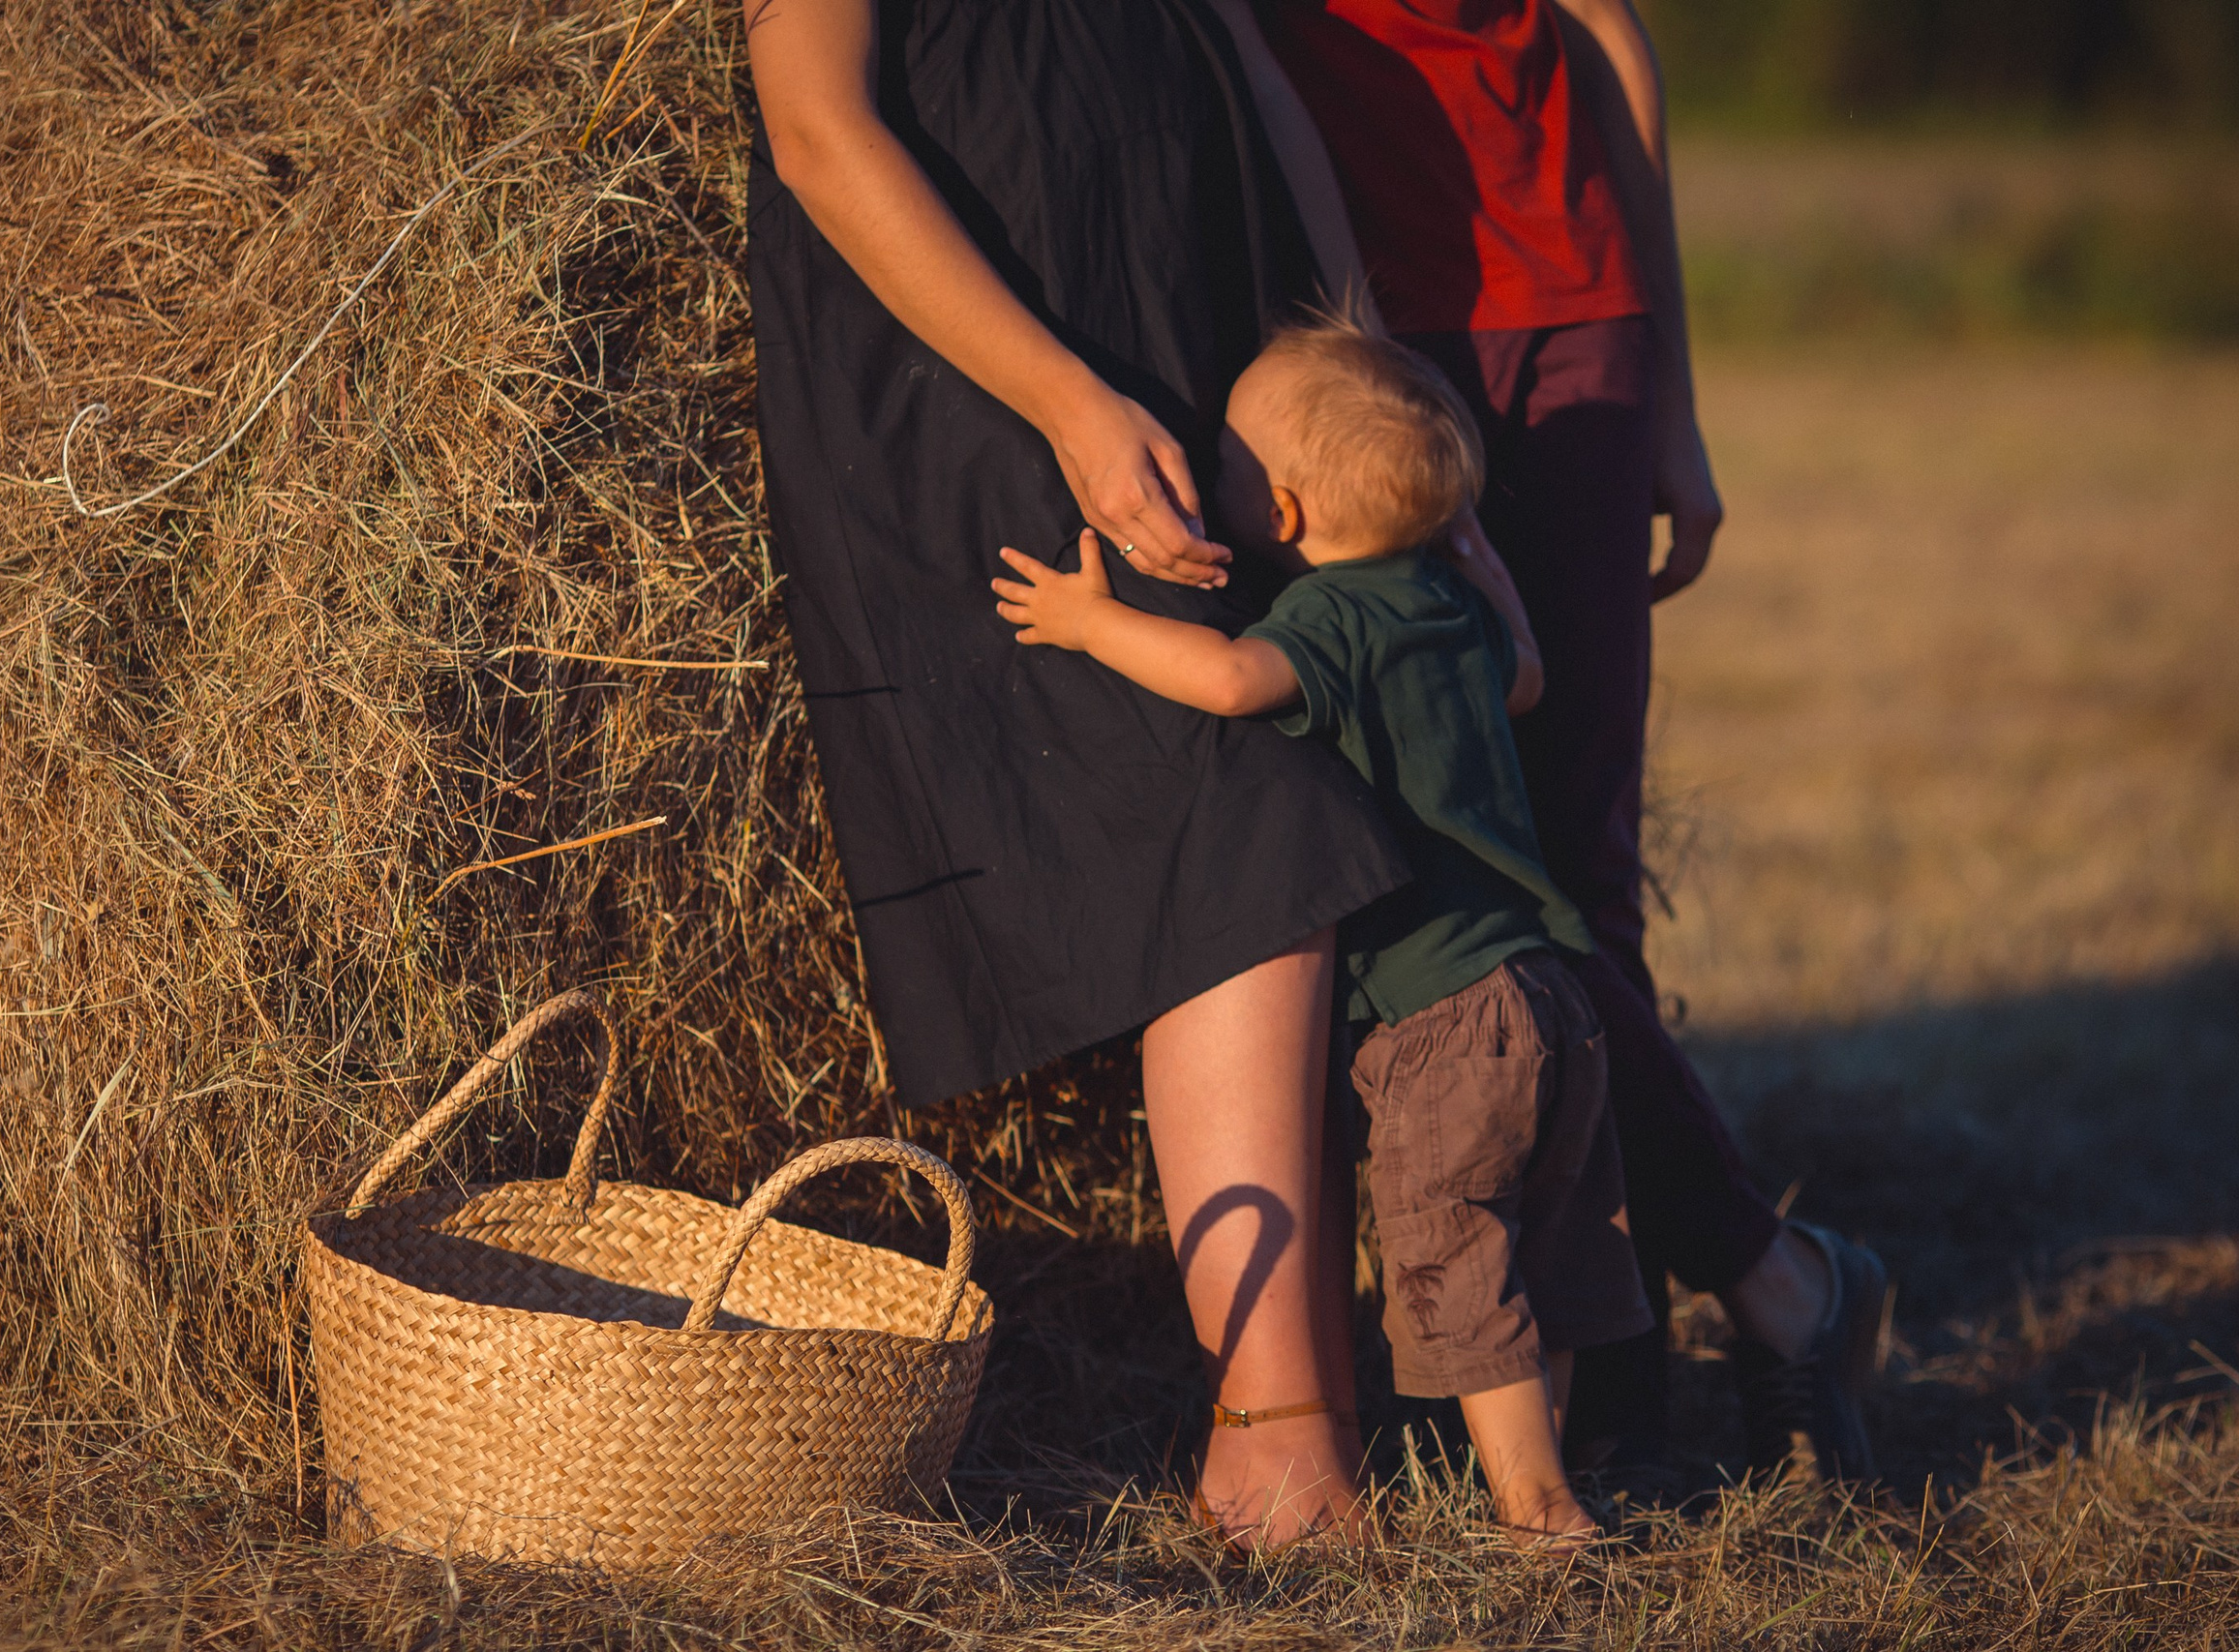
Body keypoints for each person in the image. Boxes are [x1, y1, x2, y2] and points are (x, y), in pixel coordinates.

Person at [744, 0, 1413, 1545]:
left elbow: (1256, 83)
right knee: (1236, 819)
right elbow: (817, 129)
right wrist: (1065, 404)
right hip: (986, 391)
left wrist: (1368, 378)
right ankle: (1272, 1437)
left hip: (1203, 350)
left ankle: (1319, 1413)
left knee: (1295, 821)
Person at [1253, 0, 1887, 1485]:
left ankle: (1622, 1391)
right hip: (1352, 357)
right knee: (1448, 876)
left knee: (1572, 883)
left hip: (1571, 326)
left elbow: (1610, 43)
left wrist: (1670, 389)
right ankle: (1783, 1285)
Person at [992, 315, 1651, 1543]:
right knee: (1546, 1251)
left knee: (1457, 1249)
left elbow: (1233, 683)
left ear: (1282, 516)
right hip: (1545, 990)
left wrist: (1091, 625)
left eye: (1230, 463)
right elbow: (1524, 678)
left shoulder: (1330, 618)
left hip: (1442, 1010)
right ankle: (1548, 1462)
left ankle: (1538, 1506)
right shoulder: (1444, 603)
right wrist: (1489, 569)